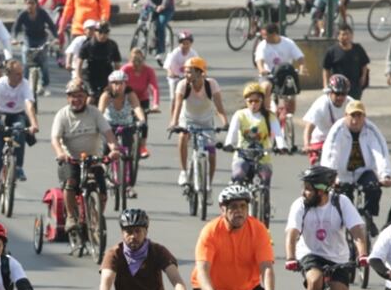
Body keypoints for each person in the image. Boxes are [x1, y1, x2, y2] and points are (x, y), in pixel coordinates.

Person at [284, 165, 368, 290]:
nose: (304, 192)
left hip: (338, 257)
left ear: (322, 190)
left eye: (308, 188)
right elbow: (292, 233)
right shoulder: (300, 205)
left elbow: (356, 230)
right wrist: (290, 257)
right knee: (315, 281)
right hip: (310, 253)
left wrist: (363, 254)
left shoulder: (341, 202)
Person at [50, 79, 120, 236]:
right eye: (73, 96)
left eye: (80, 96)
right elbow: (55, 139)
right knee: (70, 183)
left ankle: (96, 218)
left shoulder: (94, 113)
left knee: (102, 190)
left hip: (92, 159)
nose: (76, 99)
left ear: (86, 97)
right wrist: (60, 153)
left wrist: (114, 149)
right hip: (71, 159)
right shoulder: (62, 115)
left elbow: (108, 133)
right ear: (68, 98)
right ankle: (71, 217)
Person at [321, 100, 391, 220]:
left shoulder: (371, 129)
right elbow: (331, 153)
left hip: (364, 171)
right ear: (346, 116)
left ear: (364, 116)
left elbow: (380, 152)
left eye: (359, 116)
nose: (355, 120)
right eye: (352, 115)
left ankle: (368, 217)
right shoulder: (338, 130)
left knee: (374, 188)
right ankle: (345, 222)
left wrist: (385, 175)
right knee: (343, 200)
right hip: (343, 174)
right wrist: (331, 176)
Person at [0, 59, 39, 203]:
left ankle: (18, 166)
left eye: (21, 73)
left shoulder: (24, 84)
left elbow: (29, 105)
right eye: (17, 74)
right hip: (0, 115)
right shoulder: (0, 84)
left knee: (20, 129)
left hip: (17, 115)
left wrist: (34, 124)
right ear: (8, 74)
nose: (21, 76)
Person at [168, 56, 226, 187]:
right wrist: (174, 123)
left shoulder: (211, 84)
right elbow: (177, 106)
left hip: (206, 121)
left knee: (211, 153)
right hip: (188, 120)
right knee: (182, 136)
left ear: (200, 72)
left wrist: (225, 123)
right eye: (185, 72)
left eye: (189, 72)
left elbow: (219, 107)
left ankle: (208, 185)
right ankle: (183, 171)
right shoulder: (183, 85)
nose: (186, 75)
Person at [224, 82, 285, 186]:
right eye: (250, 101)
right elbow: (232, 131)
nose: (253, 104)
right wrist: (229, 144)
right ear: (246, 101)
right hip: (242, 155)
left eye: (256, 101)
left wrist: (282, 146)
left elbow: (278, 134)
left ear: (262, 101)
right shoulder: (240, 115)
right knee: (238, 174)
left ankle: (264, 196)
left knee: (265, 176)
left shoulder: (269, 116)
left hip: (263, 157)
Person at [99, 70, 146, 198]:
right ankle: (105, 177)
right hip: (109, 127)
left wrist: (142, 120)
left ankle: (128, 186)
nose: (118, 86)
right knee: (105, 152)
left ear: (125, 84)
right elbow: (100, 111)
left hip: (126, 126)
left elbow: (136, 107)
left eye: (121, 83)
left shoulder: (130, 94)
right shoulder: (106, 95)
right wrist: (98, 124)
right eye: (115, 83)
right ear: (110, 84)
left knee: (127, 155)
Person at [11, 0, 58, 95]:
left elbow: (51, 25)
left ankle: (45, 85)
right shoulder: (23, 15)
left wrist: (56, 38)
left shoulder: (42, 13)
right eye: (28, 3)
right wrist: (14, 38)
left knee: (44, 63)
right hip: (28, 39)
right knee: (26, 62)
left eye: (32, 3)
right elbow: (16, 27)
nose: (30, 5)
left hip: (41, 39)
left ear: (36, 4)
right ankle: (24, 85)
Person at [131, 0, 176, 64]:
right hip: (152, 6)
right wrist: (133, 2)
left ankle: (160, 51)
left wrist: (163, 5)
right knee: (142, 19)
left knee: (160, 24)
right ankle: (144, 37)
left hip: (166, 9)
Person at [301, 74, 352, 163]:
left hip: (341, 140)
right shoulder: (321, 104)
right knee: (319, 167)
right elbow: (309, 127)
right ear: (330, 92)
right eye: (337, 94)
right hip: (321, 140)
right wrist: (307, 145)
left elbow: (361, 124)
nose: (340, 97)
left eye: (343, 94)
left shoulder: (351, 103)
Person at [254, 23, 305, 110]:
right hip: (269, 75)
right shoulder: (262, 45)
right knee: (265, 87)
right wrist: (261, 70)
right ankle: (266, 111)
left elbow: (300, 57)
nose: (264, 38)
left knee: (291, 93)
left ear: (274, 34)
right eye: (262, 35)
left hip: (285, 75)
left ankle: (289, 114)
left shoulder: (288, 43)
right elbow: (259, 60)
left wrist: (302, 68)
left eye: (266, 35)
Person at [121, 48, 159, 158]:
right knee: (125, 123)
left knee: (143, 123)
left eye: (139, 61)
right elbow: (119, 85)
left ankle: (142, 146)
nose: (137, 64)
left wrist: (155, 104)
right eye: (134, 61)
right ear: (130, 60)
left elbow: (154, 87)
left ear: (143, 60)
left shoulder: (149, 70)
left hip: (142, 99)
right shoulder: (125, 69)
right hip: (127, 98)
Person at [321, 23, 370, 100]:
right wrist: (326, 85)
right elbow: (326, 69)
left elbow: (364, 64)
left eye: (348, 34)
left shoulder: (358, 49)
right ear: (338, 36)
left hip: (354, 88)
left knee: (353, 105)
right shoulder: (332, 51)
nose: (346, 37)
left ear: (352, 35)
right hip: (338, 89)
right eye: (343, 34)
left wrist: (363, 77)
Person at [75, 21, 122, 100]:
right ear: (95, 32)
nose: (103, 35)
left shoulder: (112, 45)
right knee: (91, 97)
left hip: (106, 74)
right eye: (100, 32)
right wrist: (78, 77)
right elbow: (79, 63)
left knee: (108, 96)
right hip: (90, 74)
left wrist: (116, 80)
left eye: (106, 32)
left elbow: (117, 64)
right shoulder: (88, 45)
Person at [162, 30, 197, 97]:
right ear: (179, 44)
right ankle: (173, 102)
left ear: (191, 44)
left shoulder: (193, 53)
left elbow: (198, 64)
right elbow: (167, 65)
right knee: (174, 97)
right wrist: (170, 72)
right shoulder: (175, 53)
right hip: (175, 78)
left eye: (188, 43)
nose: (186, 46)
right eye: (183, 43)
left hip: (188, 77)